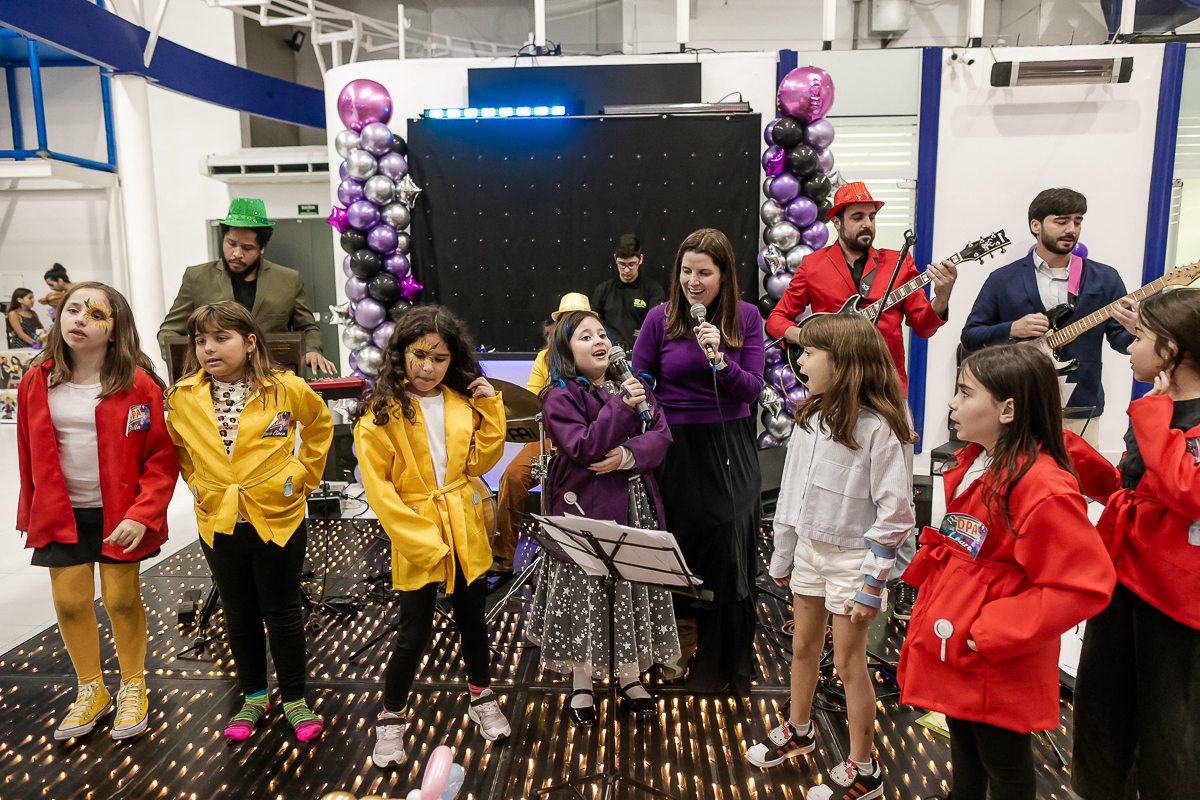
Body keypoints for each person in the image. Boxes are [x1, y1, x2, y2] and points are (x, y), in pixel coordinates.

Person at [898, 343, 1114, 800]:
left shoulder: (1042, 485)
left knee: (1003, 762)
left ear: (1008, 409)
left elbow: (1085, 584)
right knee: (964, 739)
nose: (952, 403)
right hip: (960, 635)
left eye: (965, 393)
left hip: (995, 652)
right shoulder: (978, 460)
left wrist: (994, 629)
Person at [765, 181, 958, 621]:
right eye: (857, 217)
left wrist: (943, 296)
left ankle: (902, 579)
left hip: (887, 391)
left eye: (872, 216)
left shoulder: (898, 263)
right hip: (833, 395)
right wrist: (806, 336)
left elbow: (923, 325)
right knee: (823, 481)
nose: (867, 224)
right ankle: (821, 570)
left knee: (898, 490)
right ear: (837, 222)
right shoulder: (814, 265)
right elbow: (777, 318)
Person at [749, 314, 916, 800]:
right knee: (802, 648)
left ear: (843, 363)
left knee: (847, 664)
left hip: (852, 562)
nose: (799, 361)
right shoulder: (809, 418)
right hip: (809, 553)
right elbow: (791, 495)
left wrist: (872, 583)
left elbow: (896, 514)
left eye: (808, 353)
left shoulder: (879, 428)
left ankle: (864, 768)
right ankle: (799, 729)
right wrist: (783, 556)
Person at [16, 282, 178, 742]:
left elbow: (161, 458)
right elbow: (27, 452)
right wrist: (32, 509)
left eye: (95, 314)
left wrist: (142, 513)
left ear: (115, 328)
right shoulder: (36, 380)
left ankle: (133, 685)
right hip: (61, 511)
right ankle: (91, 689)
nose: (80, 320)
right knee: (69, 604)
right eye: (72, 310)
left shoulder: (139, 385)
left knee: (121, 600)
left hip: (121, 514)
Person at [165, 301, 332, 743]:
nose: (209, 348)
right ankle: (254, 697)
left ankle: (294, 698)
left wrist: (303, 475)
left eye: (221, 338)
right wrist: (197, 484)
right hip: (218, 519)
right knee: (238, 612)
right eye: (201, 341)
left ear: (250, 342)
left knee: (282, 610)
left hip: (277, 515)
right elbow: (181, 449)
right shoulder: (182, 396)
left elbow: (319, 425)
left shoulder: (285, 388)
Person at [353, 305, 511, 769]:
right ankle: (390, 717)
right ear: (400, 353)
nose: (428, 367)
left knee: (473, 621)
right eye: (419, 355)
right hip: (416, 527)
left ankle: (481, 697)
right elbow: (379, 491)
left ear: (452, 361)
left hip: (463, 524)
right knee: (413, 631)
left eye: (440, 359)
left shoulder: (460, 403)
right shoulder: (379, 414)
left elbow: (478, 463)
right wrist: (420, 539)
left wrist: (490, 407)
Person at [1069, 289, 1200, 800]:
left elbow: (1186, 492)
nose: (1129, 347)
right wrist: (1065, 449)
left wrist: (1154, 411)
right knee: (1103, 712)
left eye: (1140, 337)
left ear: (1170, 350)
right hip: (1124, 577)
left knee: (1170, 729)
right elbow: (1131, 488)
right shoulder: (1157, 408)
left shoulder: (1164, 411)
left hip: (1176, 600)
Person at [526, 309, 680, 726]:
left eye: (602, 334)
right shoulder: (559, 396)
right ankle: (582, 681)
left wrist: (628, 455)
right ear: (565, 351)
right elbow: (585, 447)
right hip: (585, 508)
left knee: (630, 587)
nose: (599, 341)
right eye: (585, 336)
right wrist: (622, 406)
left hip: (634, 504)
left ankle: (630, 676)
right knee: (586, 591)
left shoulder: (632, 384)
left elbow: (661, 435)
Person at [631, 227, 765, 695]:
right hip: (674, 446)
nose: (692, 281)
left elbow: (751, 389)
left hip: (729, 444)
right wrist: (644, 398)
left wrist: (721, 360)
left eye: (704, 272)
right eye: (686, 271)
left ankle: (719, 660)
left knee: (727, 545)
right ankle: (674, 646)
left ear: (724, 275)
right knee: (676, 545)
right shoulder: (659, 319)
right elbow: (642, 375)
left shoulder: (746, 318)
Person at [962, 188, 1137, 448]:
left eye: (1077, 221)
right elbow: (970, 337)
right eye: (1061, 221)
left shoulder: (1105, 278)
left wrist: (1137, 331)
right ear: (1036, 225)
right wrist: (1012, 329)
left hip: (1079, 404)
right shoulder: (1002, 279)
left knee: (1079, 473)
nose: (1071, 230)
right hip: (1015, 402)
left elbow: (1121, 340)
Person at [158, 198, 336, 375]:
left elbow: (307, 327)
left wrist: (312, 349)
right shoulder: (197, 278)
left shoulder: (288, 279)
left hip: (273, 376)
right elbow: (169, 331)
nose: (237, 253)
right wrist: (193, 363)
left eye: (247, 247)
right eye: (231, 243)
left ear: (262, 247)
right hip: (213, 379)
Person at [492, 296, 587, 572]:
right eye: (566, 321)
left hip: (588, 435)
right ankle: (503, 556)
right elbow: (530, 404)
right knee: (512, 477)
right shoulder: (544, 358)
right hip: (549, 435)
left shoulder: (598, 351)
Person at [590, 234, 666, 348]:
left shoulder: (653, 290)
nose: (626, 270)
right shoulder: (602, 290)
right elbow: (594, 325)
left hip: (642, 349)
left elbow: (655, 325)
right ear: (615, 258)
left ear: (640, 259)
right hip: (609, 351)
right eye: (621, 264)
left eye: (631, 264)